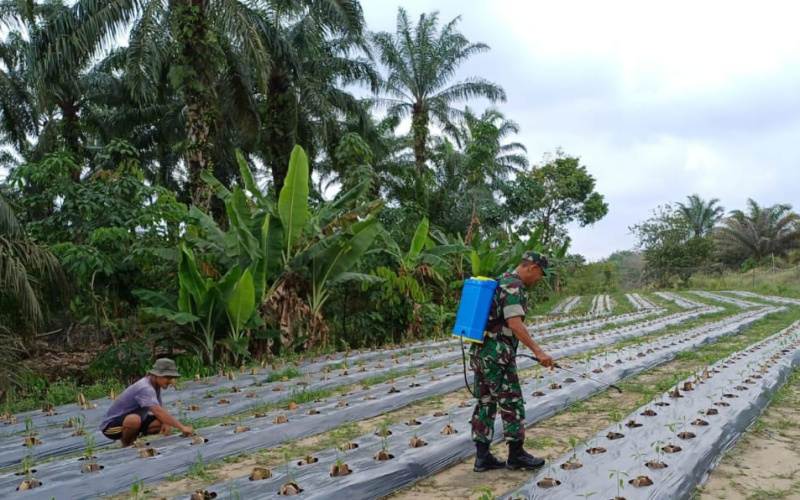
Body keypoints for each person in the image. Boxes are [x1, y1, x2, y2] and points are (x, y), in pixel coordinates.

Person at [471, 251, 555, 472]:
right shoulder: (514, 286)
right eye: (540, 274)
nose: (539, 279)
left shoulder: (500, 280)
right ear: (532, 268)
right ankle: (516, 455)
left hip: (480, 351)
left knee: (486, 402)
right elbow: (515, 324)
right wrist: (539, 352)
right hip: (497, 354)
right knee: (512, 402)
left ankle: (482, 457)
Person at [99, 358, 194, 446]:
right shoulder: (145, 388)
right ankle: (127, 444)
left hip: (138, 418)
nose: (170, 381)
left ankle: (133, 438)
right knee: (134, 420)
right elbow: (157, 411)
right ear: (156, 375)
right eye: (167, 377)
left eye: (172, 378)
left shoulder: (154, 385)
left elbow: (160, 407)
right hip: (111, 426)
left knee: (160, 422)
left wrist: (166, 423)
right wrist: (182, 427)